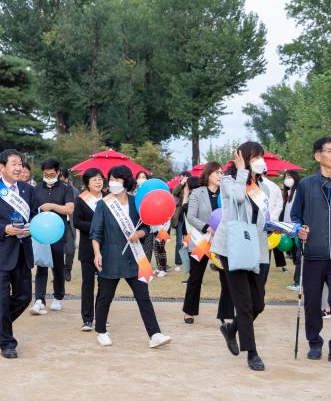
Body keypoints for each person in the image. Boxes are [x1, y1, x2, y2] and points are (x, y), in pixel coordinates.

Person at [291, 137, 331, 366]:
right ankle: (314, 343)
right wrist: (299, 230)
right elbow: (295, 216)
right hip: (312, 254)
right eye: (329, 151)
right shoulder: (306, 185)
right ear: (318, 156)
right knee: (312, 302)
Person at [91, 165, 171, 349]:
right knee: (105, 296)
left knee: (143, 296)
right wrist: (97, 253)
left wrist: (139, 234)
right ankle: (101, 331)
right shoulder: (104, 204)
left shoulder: (136, 202)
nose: (113, 183)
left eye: (117, 179)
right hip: (110, 256)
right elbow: (96, 232)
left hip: (135, 257)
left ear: (126, 182)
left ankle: (155, 334)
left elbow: (146, 226)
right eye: (111, 179)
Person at [212, 144, 272, 371]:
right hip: (233, 247)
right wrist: (241, 171)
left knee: (258, 303)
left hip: (258, 248)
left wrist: (277, 227)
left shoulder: (262, 187)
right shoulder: (229, 180)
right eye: (254, 157)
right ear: (243, 159)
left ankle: (232, 328)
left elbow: (262, 217)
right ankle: (252, 353)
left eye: (261, 157)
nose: (259, 161)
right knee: (244, 303)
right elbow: (237, 198)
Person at [0, 149, 37, 359]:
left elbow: (34, 214)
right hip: (0, 250)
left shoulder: (28, 190)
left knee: (24, 296)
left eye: (20, 163)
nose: (18, 168)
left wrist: (33, 226)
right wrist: (4, 229)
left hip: (23, 251)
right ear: (2, 168)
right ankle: (7, 343)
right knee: (1, 300)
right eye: (14, 164)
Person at [182, 161, 233, 325]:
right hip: (201, 241)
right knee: (195, 277)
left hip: (222, 241)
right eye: (217, 172)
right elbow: (191, 216)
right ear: (208, 174)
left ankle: (226, 313)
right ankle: (189, 311)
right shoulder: (197, 193)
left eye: (221, 172)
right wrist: (207, 227)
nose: (220, 175)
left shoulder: (226, 193)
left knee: (227, 278)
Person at [30, 158, 75, 315]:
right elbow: (32, 210)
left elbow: (69, 209)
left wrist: (53, 206)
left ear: (58, 172)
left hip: (58, 232)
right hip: (40, 233)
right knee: (41, 265)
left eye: (51, 174)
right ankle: (39, 299)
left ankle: (58, 296)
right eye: (45, 174)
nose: (48, 177)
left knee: (58, 266)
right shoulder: (36, 188)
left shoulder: (66, 188)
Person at [73, 167, 104, 331]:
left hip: (106, 248)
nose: (98, 182)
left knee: (104, 284)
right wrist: (96, 226)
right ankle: (87, 319)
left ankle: (101, 316)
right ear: (87, 183)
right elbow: (77, 222)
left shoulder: (110, 198)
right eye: (94, 179)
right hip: (87, 249)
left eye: (100, 179)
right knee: (88, 285)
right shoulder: (81, 200)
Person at [281, 170, 302, 291]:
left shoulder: (299, 192)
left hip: (297, 228)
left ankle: (298, 283)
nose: (287, 179)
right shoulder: (288, 194)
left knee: (299, 257)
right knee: (294, 257)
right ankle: (298, 282)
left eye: (289, 176)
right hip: (289, 230)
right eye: (286, 177)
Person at [59, 168, 78, 282]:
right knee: (57, 250)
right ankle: (58, 272)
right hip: (56, 224)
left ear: (65, 178)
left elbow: (77, 207)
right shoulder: (53, 189)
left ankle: (67, 269)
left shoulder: (74, 191)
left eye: (60, 176)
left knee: (70, 249)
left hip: (69, 223)